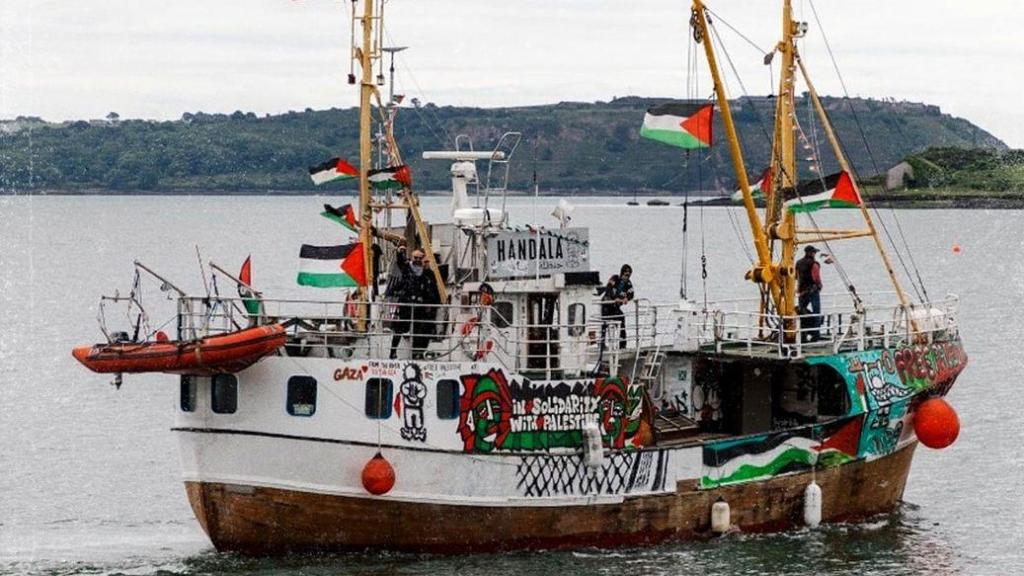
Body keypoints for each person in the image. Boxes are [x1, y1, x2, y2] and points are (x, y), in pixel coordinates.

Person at [389, 247, 441, 359]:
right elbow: (400, 262)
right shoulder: (407, 269)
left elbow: (433, 290)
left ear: (423, 258)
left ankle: (416, 353)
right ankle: (392, 352)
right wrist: (400, 252)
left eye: (419, 258)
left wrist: (432, 305)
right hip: (406, 304)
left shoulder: (428, 273)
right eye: (415, 257)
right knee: (399, 328)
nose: (417, 260)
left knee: (419, 330)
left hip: (420, 306)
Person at [598, 264, 635, 349]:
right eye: (626, 275)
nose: (627, 277)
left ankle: (622, 344)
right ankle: (602, 344)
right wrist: (615, 298)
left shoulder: (628, 284)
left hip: (615, 307)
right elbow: (608, 289)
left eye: (629, 275)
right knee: (604, 323)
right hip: (606, 305)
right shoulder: (615, 278)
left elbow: (631, 293)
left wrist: (626, 298)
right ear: (622, 273)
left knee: (621, 319)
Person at [795, 245, 823, 341]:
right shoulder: (814, 264)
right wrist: (819, 286)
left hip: (802, 291)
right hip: (812, 290)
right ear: (811, 253)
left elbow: (796, 277)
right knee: (816, 312)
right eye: (814, 252)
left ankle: (801, 333)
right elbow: (816, 277)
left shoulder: (798, 263)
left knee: (801, 312)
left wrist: (799, 289)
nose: (815, 254)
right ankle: (816, 334)